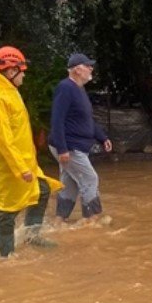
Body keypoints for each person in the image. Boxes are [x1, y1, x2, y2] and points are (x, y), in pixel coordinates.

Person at [0, 45, 61, 257]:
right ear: (9, 71)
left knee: (42, 190)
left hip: (25, 161)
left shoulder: (10, 92)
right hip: (10, 165)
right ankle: (6, 256)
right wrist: (19, 168)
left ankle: (31, 236)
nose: (24, 74)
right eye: (21, 70)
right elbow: (3, 140)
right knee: (8, 209)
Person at [49, 52, 113, 221]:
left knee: (69, 185)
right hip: (69, 146)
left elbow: (86, 120)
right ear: (77, 69)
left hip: (74, 146)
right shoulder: (65, 88)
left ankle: (58, 222)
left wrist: (102, 137)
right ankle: (92, 222)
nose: (91, 68)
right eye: (87, 65)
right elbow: (57, 119)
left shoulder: (79, 89)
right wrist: (62, 148)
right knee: (90, 179)